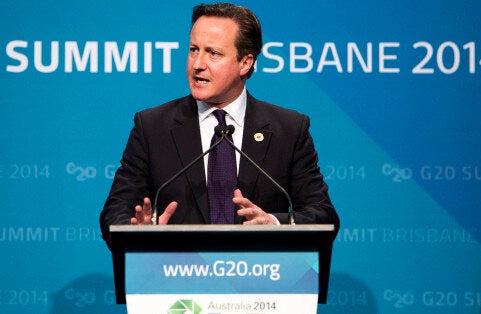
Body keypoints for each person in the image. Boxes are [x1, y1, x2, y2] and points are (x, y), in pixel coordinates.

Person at [100, 3, 339, 248]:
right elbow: (115, 211)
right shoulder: (152, 127)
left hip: (261, 278)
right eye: (194, 50)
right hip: (176, 276)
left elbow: (323, 215)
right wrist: (135, 232)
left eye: (213, 53)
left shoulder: (288, 130)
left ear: (245, 63)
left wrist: (274, 224)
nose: (197, 64)